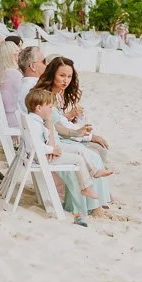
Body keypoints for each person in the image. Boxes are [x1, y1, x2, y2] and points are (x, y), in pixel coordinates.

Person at [36, 57, 112, 204]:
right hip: (52, 142)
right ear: (52, 74)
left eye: (69, 77)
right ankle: (90, 201)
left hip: (55, 138)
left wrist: (73, 123)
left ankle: (98, 197)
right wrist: (84, 135)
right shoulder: (46, 96)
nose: (66, 81)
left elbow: (58, 123)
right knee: (91, 154)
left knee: (91, 152)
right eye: (62, 75)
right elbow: (56, 126)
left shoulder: (56, 94)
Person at [25, 86, 103, 226]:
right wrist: (52, 150)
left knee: (78, 155)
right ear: (38, 108)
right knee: (78, 160)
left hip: (39, 156)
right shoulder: (35, 124)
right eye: (49, 107)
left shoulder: (33, 120)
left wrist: (51, 143)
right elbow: (34, 146)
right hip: (41, 158)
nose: (51, 110)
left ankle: (88, 183)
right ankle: (85, 187)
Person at [0, 41, 25, 129]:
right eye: (17, 53)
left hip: (4, 121)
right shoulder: (14, 74)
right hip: (16, 122)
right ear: (12, 55)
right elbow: (26, 98)